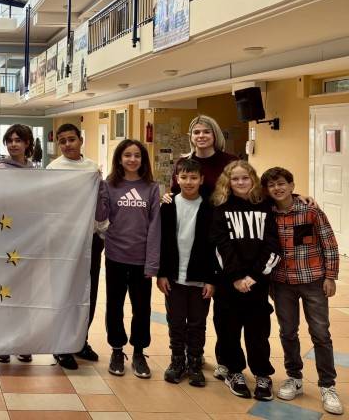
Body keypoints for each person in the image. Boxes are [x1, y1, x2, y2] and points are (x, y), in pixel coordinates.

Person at [261, 167, 342, 415]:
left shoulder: (310, 211)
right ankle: (294, 377)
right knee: (287, 331)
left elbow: (329, 244)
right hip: (281, 282)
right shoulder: (267, 213)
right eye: (272, 185)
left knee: (320, 333)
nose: (277, 188)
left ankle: (327, 385)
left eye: (281, 183)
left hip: (313, 281)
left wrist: (331, 276)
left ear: (292, 185)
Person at [210, 160, 280, 400]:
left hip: (257, 283)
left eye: (245, 178)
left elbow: (273, 244)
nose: (240, 182)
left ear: (253, 180)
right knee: (228, 329)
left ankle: (262, 374)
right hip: (228, 283)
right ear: (227, 182)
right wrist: (236, 277)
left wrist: (254, 277)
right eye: (235, 178)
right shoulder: (220, 207)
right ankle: (234, 371)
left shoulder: (266, 206)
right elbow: (220, 246)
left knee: (258, 332)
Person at [98, 139, 160, 379]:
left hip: (141, 259)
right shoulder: (109, 185)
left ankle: (139, 353)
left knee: (141, 308)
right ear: (119, 159)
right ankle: (116, 350)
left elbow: (155, 227)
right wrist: (98, 191)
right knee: (114, 306)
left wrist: (152, 262)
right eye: (127, 155)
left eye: (137, 155)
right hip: (115, 255)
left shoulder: (152, 188)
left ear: (143, 160)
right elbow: (100, 216)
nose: (132, 159)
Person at [156, 158, 216, 387]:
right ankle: (177, 361)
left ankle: (194, 363)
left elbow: (214, 246)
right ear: (176, 179)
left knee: (198, 323)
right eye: (184, 177)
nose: (189, 182)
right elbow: (162, 241)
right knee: (176, 321)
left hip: (200, 277)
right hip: (173, 276)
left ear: (201, 180)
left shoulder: (210, 206)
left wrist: (211, 279)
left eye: (193, 177)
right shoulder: (168, 205)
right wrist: (162, 273)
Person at [47, 124, 101, 364]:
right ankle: (61, 344)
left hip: (89, 239)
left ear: (81, 140)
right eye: (63, 141)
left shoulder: (92, 168)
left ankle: (81, 340)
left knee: (88, 290)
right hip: (62, 239)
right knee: (63, 291)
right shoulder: (53, 169)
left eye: (72, 139)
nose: (68, 144)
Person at [0, 124, 41, 365]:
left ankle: (23, 342)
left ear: (27, 143)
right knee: (4, 293)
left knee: (25, 294)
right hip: (4, 239)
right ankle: (3, 343)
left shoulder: (35, 172)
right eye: (10, 140)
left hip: (27, 240)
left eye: (18, 140)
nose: (13, 144)